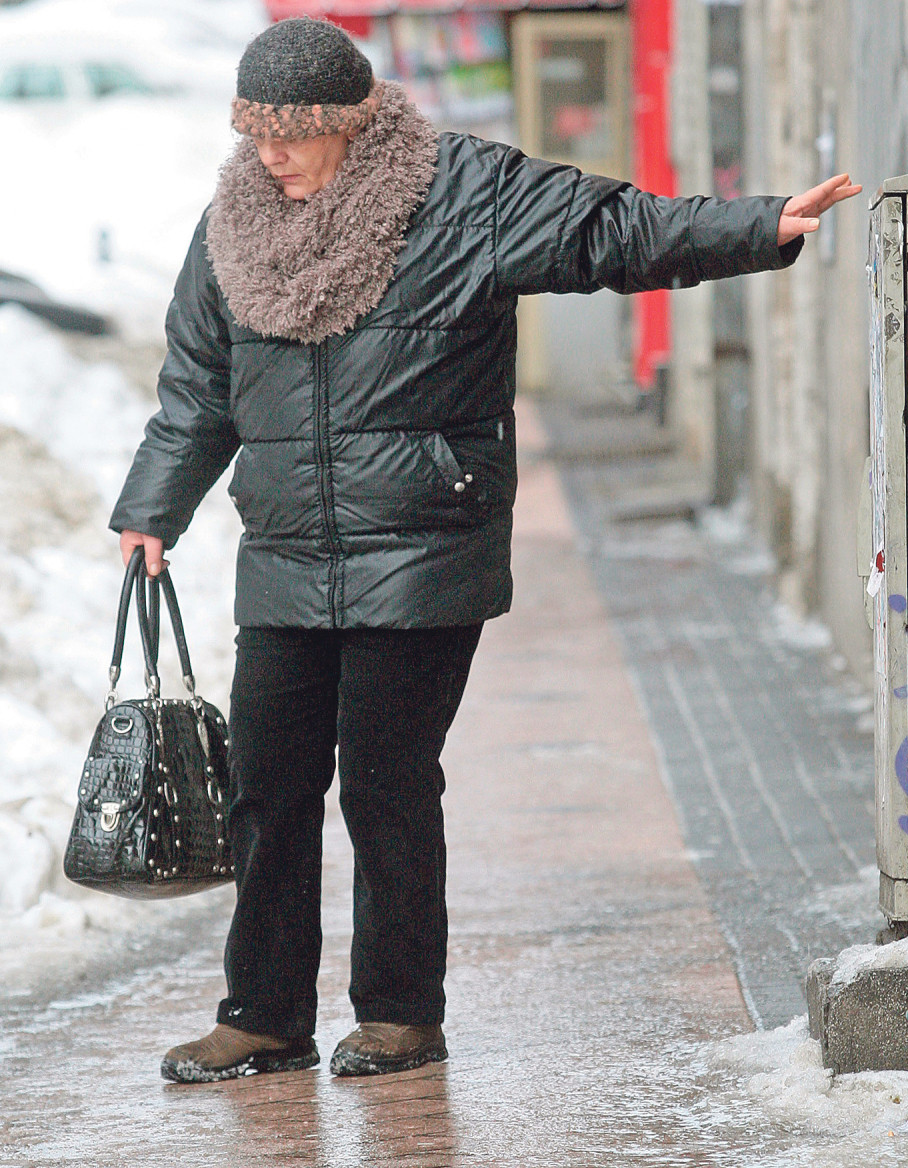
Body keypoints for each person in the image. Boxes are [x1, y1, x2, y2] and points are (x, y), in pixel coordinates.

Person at [110, 17, 861, 1084]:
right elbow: (197, 384)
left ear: (350, 119)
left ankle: (399, 1014)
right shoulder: (231, 224)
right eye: (255, 132)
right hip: (286, 550)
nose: (270, 153)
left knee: (384, 785)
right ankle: (263, 1015)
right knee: (268, 788)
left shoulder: (459, 192)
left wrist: (756, 225)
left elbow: (614, 230)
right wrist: (153, 507)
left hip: (422, 543)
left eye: (293, 131)